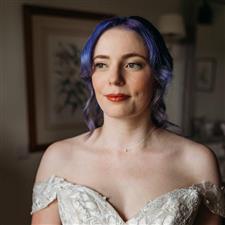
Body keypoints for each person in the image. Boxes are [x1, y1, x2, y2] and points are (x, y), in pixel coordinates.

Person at [30, 16, 225, 225]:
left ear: (158, 75)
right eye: (102, 64)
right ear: (91, 74)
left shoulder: (197, 161)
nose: (114, 78)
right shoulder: (59, 158)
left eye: (132, 64)